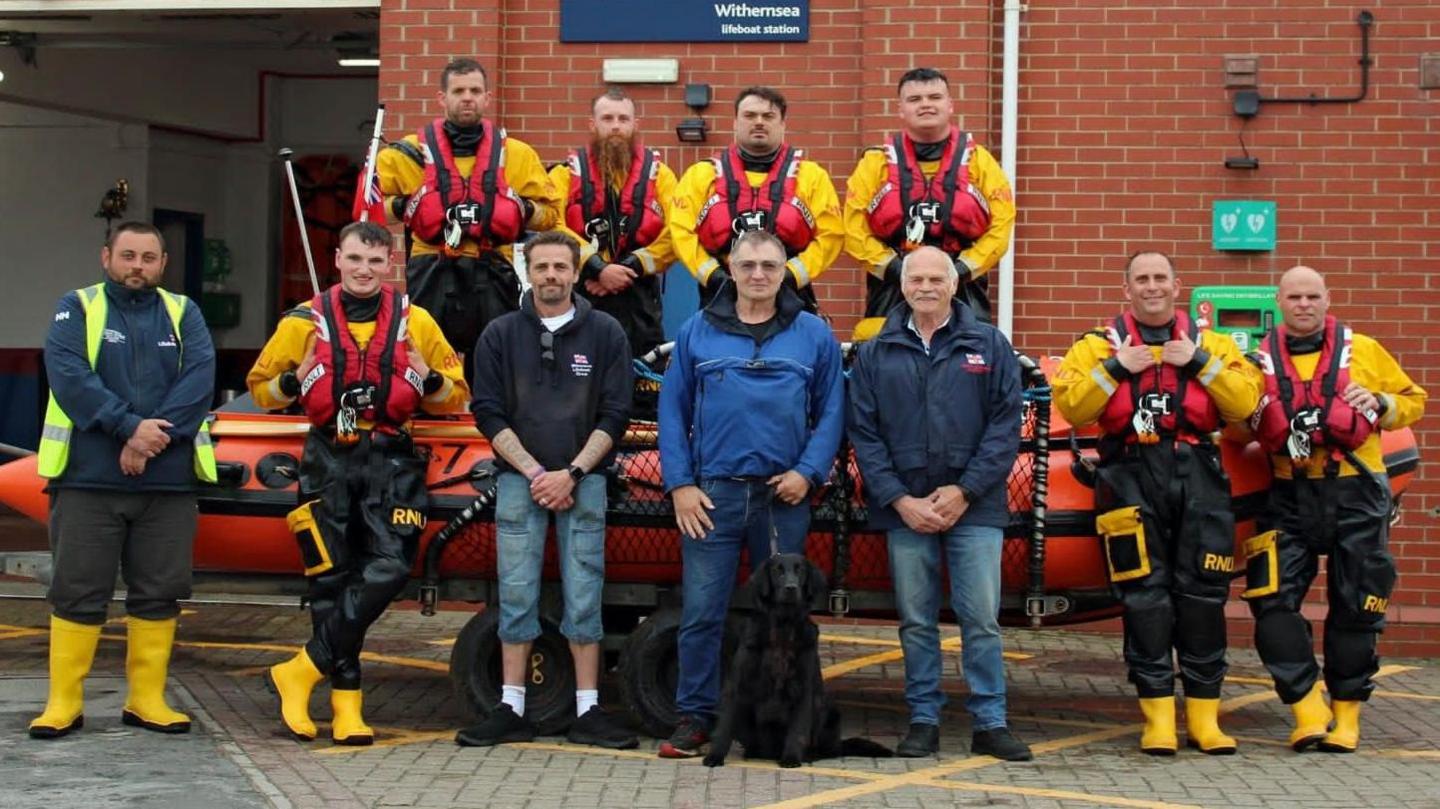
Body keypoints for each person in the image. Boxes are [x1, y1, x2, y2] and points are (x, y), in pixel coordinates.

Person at [247, 220, 469, 746]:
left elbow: (456, 393)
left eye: (374, 261)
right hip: (329, 457)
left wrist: (430, 379)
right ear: (338, 261)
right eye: (354, 259)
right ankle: (347, 708)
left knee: (390, 567)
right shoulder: (303, 324)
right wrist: (290, 381)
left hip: (392, 459)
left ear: (389, 264)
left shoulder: (417, 323)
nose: (364, 270)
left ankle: (301, 669)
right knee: (330, 584)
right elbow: (261, 390)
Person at [1052, 251, 1260, 756]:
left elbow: (1245, 404)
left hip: (1198, 474)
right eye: (1141, 279)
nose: (1151, 287)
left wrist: (1200, 363)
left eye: (1159, 278)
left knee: (1204, 595)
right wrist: (1114, 370)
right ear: (1127, 290)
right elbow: (1072, 406)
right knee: (1143, 595)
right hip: (1127, 474)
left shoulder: (1211, 344)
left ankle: (1206, 719)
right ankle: (1158, 717)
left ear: (1176, 286)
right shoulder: (1095, 346)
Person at [655, 230, 845, 758]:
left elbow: (832, 409)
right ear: (730, 271)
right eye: (747, 265)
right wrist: (681, 485)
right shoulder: (697, 331)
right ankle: (695, 717)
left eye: (768, 265)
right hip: (712, 496)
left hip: (784, 497)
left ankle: (787, 722)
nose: (758, 274)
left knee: (785, 618)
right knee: (701, 613)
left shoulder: (813, 335)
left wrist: (808, 472)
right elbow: (670, 412)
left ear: (785, 272)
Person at [31, 221, 216, 739]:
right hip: (87, 480)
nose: (138, 266)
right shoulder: (77, 307)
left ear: (163, 264)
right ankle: (63, 703)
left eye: (149, 258)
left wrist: (149, 439)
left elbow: (199, 380)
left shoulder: (185, 313)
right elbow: (69, 376)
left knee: (160, 592)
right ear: (106, 256)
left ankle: (147, 700)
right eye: (128, 255)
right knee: (77, 591)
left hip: (168, 483)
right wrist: (129, 427)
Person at [846, 246, 1031, 761]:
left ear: (955, 285)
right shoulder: (876, 351)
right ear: (901, 287)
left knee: (981, 620)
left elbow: (1004, 426)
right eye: (916, 279)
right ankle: (923, 720)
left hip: (975, 506)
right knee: (916, 621)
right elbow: (864, 433)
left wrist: (965, 490)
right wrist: (900, 499)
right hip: (905, 510)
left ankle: (990, 723)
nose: (925, 287)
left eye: (935, 279)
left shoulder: (989, 344)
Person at [458, 231, 636, 749]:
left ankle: (588, 710)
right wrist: (536, 473)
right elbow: (487, 412)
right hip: (519, 482)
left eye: (561, 267)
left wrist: (573, 474)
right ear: (527, 272)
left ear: (577, 272)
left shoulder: (606, 333)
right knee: (516, 594)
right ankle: (510, 707)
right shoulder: (498, 335)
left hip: (586, 483)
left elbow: (616, 413)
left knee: (585, 595)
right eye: (542, 267)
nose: (552, 276)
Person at [1243, 266, 1425, 753]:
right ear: (1279, 302)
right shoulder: (1255, 363)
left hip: (1355, 492)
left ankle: (1347, 717)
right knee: (1270, 601)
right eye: (1295, 296)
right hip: (1288, 494)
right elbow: (1238, 430)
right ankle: (1306, 707)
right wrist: (1253, 418)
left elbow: (1414, 401)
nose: (1304, 304)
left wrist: (1381, 401)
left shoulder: (1363, 351)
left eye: (1313, 296)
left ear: (1328, 300)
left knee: (1356, 606)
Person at [376, 57, 563, 362]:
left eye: (475, 91)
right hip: (430, 267)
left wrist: (520, 209)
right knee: (424, 360)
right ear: (442, 98)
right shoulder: (406, 155)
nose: (467, 97)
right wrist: (405, 205)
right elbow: (369, 210)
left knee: (495, 365)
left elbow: (552, 215)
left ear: (487, 98)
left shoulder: (517, 154)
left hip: (492, 269)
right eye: (459, 90)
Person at [843, 67, 1015, 330]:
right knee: (882, 359)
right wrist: (898, 270)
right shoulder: (874, 163)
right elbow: (854, 229)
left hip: (964, 287)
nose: (925, 104)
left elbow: (1001, 225)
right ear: (901, 109)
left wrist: (959, 271)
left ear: (950, 105)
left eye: (934, 97)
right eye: (915, 99)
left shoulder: (981, 162)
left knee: (970, 359)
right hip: (890, 287)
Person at [667, 86, 842, 313]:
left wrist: (789, 275)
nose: (759, 122)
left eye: (768, 116)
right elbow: (681, 233)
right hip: (719, 295)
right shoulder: (700, 175)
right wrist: (713, 276)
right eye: (749, 115)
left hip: (791, 298)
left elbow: (831, 236)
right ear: (735, 123)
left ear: (782, 124)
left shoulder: (812, 177)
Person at [552, 88, 678, 359]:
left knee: (643, 385)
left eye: (623, 119)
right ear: (592, 124)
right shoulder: (566, 174)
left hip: (640, 298)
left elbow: (677, 231)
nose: (616, 126)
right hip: (582, 293)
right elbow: (552, 225)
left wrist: (628, 267)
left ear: (635, 125)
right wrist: (597, 268)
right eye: (607, 119)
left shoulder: (662, 177)